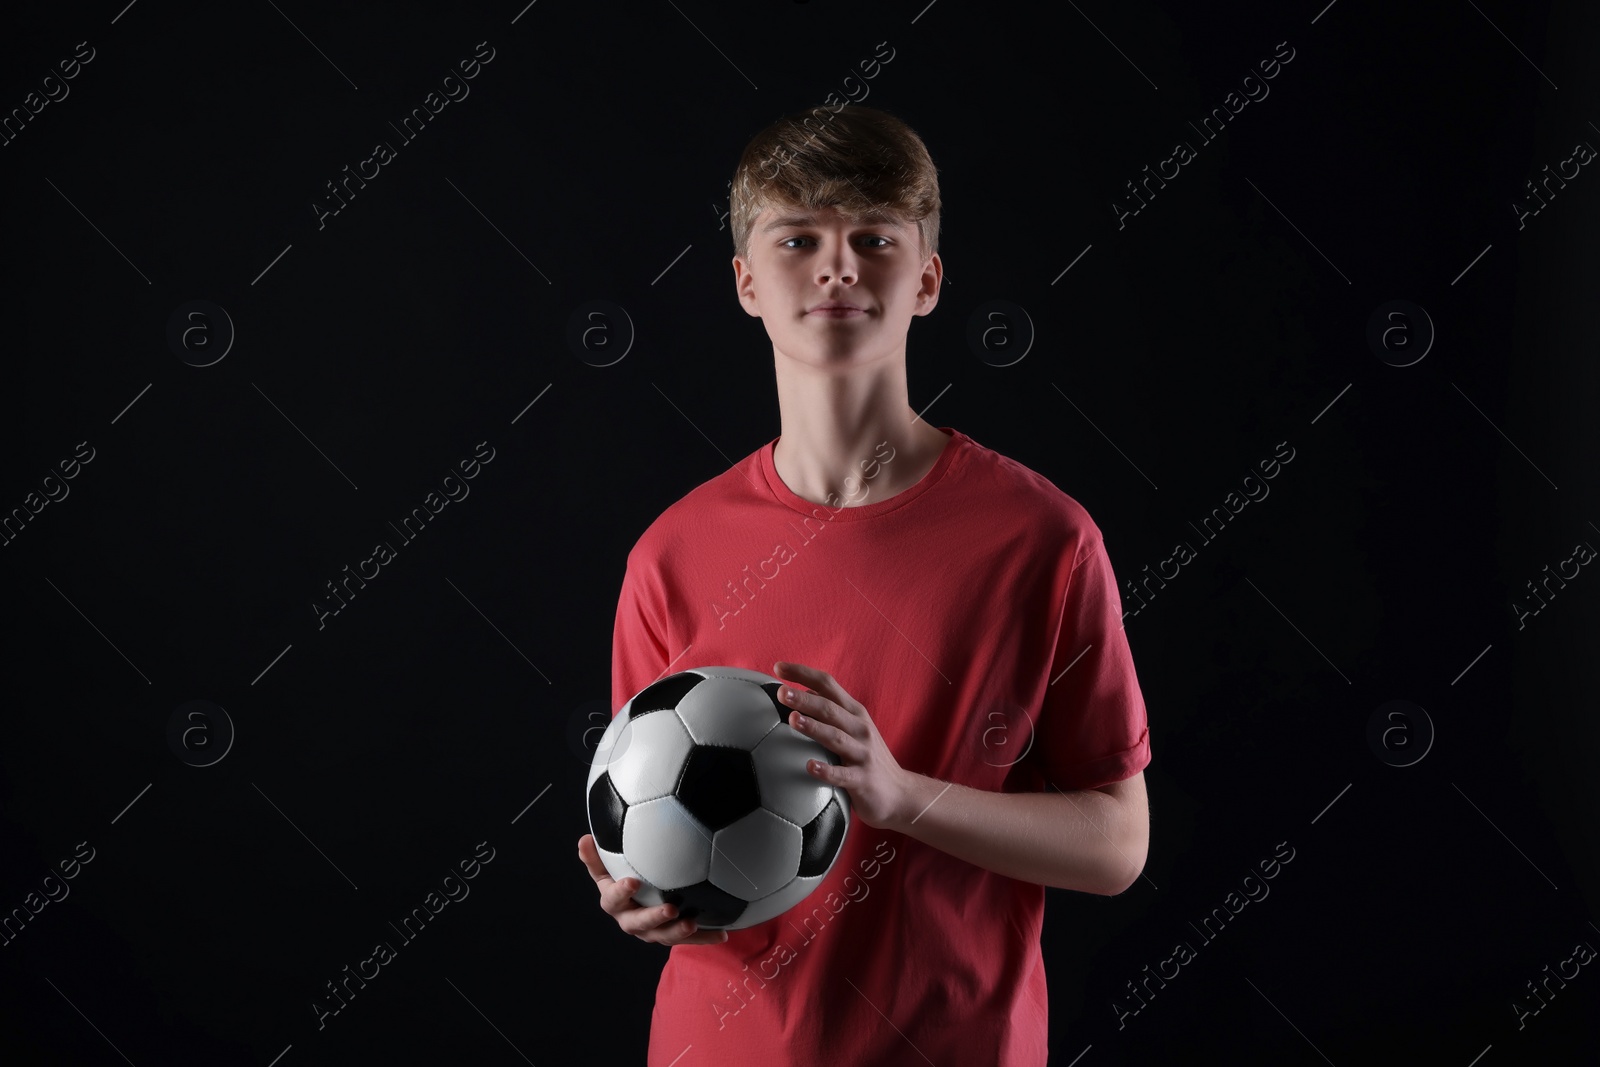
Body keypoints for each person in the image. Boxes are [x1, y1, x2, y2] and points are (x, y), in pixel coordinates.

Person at [576, 103, 1152, 1066]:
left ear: (925, 279)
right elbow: (650, 817)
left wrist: (902, 795)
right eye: (798, 238)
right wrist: (646, 897)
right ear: (746, 282)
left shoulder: (1042, 538)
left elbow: (1117, 844)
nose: (837, 265)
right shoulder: (670, 552)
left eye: (873, 238)